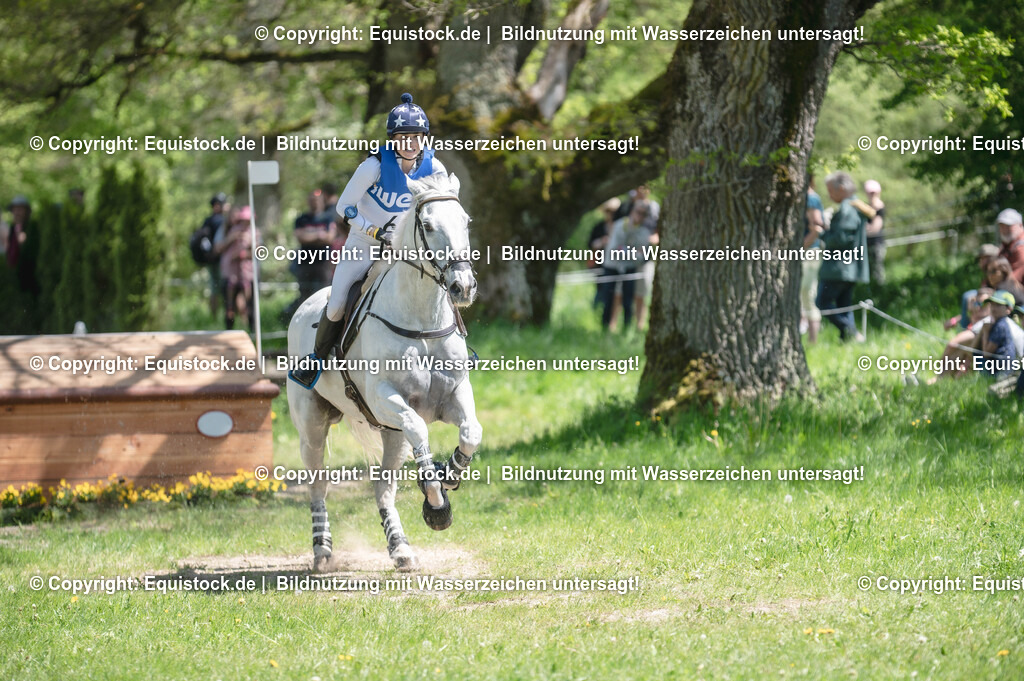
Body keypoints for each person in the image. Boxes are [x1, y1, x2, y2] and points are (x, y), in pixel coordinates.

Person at [289, 93, 448, 389]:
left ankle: (452, 350)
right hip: (364, 246)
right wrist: (374, 232)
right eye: (403, 137)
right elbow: (343, 208)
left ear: (425, 138)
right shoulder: (374, 166)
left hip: (406, 251)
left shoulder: (435, 169)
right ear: (393, 139)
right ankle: (317, 358)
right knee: (336, 305)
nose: (410, 143)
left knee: (442, 284)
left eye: (416, 137)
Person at [817, 172, 872, 342]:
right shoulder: (856, 205)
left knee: (822, 303)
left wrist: (824, 232)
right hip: (849, 267)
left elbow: (841, 238)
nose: (829, 195)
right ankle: (847, 339)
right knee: (844, 306)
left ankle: (853, 334)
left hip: (839, 268)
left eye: (830, 190)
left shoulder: (848, 209)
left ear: (840, 188)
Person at [284, 189, 336, 321]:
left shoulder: (328, 218)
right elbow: (300, 237)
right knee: (304, 294)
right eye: (312, 200)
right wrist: (319, 235)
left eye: (317, 200)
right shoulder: (302, 219)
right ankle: (304, 320)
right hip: (305, 262)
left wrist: (310, 234)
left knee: (325, 294)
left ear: (322, 202)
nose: (315, 203)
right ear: (308, 201)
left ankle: (323, 321)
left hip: (323, 263)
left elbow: (330, 238)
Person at [602, 202, 651, 331]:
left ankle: (627, 329)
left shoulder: (644, 232)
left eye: (644, 214)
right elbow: (614, 251)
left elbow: (643, 256)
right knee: (609, 298)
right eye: (638, 212)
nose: (640, 216)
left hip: (630, 268)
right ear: (632, 211)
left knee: (628, 300)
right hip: (612, 266)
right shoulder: (620, 225)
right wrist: (634, 253)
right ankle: (605, 328)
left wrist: (626, 251)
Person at [218, 206, 258, 331]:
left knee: (247, 290)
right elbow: (221, 248)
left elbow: (258, 251)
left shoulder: (254, 233)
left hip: (247, 271)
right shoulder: (234, 231)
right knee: (231, 287)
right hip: (232, 270)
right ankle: (230, 313)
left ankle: (249, 323)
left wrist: (245, 253)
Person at [949, 243, 999, 330]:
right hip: (982, 312)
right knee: (969, 298)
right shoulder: (986, 278)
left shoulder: (998, 272)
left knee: (969, 297)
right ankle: (966, 331)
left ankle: (966, 333)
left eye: (985, 258)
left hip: (996, 308)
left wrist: (977, 300)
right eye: (981, 258)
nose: (982, 261)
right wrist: (955, 320)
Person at [800, 177, 825, 343]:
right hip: (808, 251)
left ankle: (813, 342)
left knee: (807, 294)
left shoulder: (810, 198)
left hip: (809, 252)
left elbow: (817, 226)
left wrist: (801, 247)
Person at [979, 290, 1021, 377]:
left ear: (1008, 310)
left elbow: (986, 354)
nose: (993, 308)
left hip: (1003, 372)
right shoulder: (999, 323)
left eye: (998, 305)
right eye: (992, 304)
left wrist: (985, 332)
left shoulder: (1000, 326)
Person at [5, 195, 39, 295]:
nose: (17, 213)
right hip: (14, 274)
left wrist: (24, 244)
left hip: (30, 275)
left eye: (20, 209)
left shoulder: (32, 228)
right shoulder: (12, 228)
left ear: (26, 211)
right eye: (14, 210)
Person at [201, 193, 227, 317]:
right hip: (222, 260)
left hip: (211, 260)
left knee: (214, 289)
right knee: (226, 288)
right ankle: (228, 316)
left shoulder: (207, 221)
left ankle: (214, 317)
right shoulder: (222, 221)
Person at [864, 179, 886, 285]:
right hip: (867, 244)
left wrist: (864, 229)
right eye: (870, 192)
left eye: (874, 192)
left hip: (876, 244)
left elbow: (875, 228)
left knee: (877, 272)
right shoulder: (867, 207)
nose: (872, 195)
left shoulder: (879, 207)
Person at [996, 208, 1024, 282]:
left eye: (1009, 226)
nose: (1005, 230)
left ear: (1020, 225)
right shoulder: (1006, 245)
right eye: (1002, 226)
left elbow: (1015, 280)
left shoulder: (1021, 247)